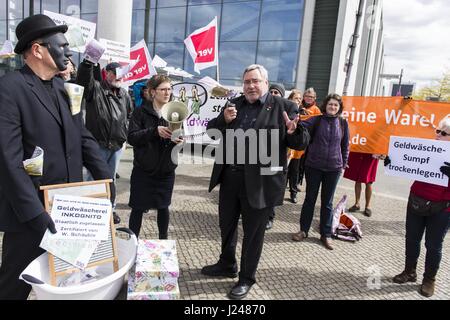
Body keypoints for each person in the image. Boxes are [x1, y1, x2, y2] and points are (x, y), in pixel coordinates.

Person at [0, 14, 112, 300]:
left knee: (69, 286)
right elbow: (8, 160)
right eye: (61, 46)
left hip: (71, 213)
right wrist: (36, 214)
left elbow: (83, 139)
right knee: (13, 288)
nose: (68, 51)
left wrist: (105, 185)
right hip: (31, 218)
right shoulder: (9, 88)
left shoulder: (64, 89)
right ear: (38, 49)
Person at [202, 64, 309, 300]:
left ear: (266, 83)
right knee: (227, 225)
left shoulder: (285, 107)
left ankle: (246, 277)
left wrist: (294, 132)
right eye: (247, 81)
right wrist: (223, 119)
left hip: (261, 183)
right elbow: (211, 131)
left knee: (253, 233)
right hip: (230, 178)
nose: (251, 86)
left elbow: (301, 143)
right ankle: (227, 263)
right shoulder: (234, 105)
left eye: (255, 81)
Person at [389, 116, 450, 298]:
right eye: (437, 131)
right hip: (417, 199)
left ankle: (429, 279)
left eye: (444, 133)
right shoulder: (427, 148)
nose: (438, 135)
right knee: (412, 238)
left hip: (442, 207)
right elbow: (408, 163)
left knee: (433, 245)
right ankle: (409, 271)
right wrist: (393, 163)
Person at [76, 59, 133, 224]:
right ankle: (86, 210)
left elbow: (128, 116)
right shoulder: (97, 89)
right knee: (92, 178)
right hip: (97, 144)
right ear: (106, 73)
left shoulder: (125, 95)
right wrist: (88, 63)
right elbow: (84, 82)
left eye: (120, 74)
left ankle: (110, 209)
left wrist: (124, 134)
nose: (117, 77)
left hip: (116, 145)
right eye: (114, 73)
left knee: (111, 180)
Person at [127, 75, 183, 239]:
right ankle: (133, 243)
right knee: (137, 208)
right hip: (143, 170)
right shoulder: (140, 112)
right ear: (153, 92)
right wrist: (154, 131)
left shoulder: (174, 112)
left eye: (170, 89)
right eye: (163, 89)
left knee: (163, 207)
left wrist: (179, 140)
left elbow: (180, 137)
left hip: (165, 171)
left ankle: (163, 243)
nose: (168, 92)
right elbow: (132, 137)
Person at [292, 93, 349, 251]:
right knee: (310, 199)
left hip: (334, 168)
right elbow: (301, 125)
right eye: (330, 104)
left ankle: (326, 234)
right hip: (314, 166)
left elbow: (345, 146)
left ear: (339, 108)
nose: (333, 107)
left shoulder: (343, 123)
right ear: (326, 106)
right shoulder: (317, 120)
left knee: (328, 203)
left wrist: (343, 164)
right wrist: (295, 120)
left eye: (336, 105)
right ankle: (303, 230)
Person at [265, 82, 288, 230]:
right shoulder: (263, 109)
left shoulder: (285, 113)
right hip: (258, 155)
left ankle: (269, 217)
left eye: (276, 93)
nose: (273, 95)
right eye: (271, 92)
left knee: (270, 188)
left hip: (275, 156)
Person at [344, 152, 385, 217]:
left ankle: (367, 206)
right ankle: (357, 204)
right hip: (360, 150)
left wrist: (383, 152)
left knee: (368, 181)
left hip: (372, 153)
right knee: (357, 179)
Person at [286, 89, 303, 203]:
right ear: (290, 99)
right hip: (286, 148)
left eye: (300, 99)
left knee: (294, 171)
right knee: (284, 171)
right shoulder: (285, 111)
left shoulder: (302, 113)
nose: (298, 101)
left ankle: (293, 193)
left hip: (296, 150)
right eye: (296, 98)